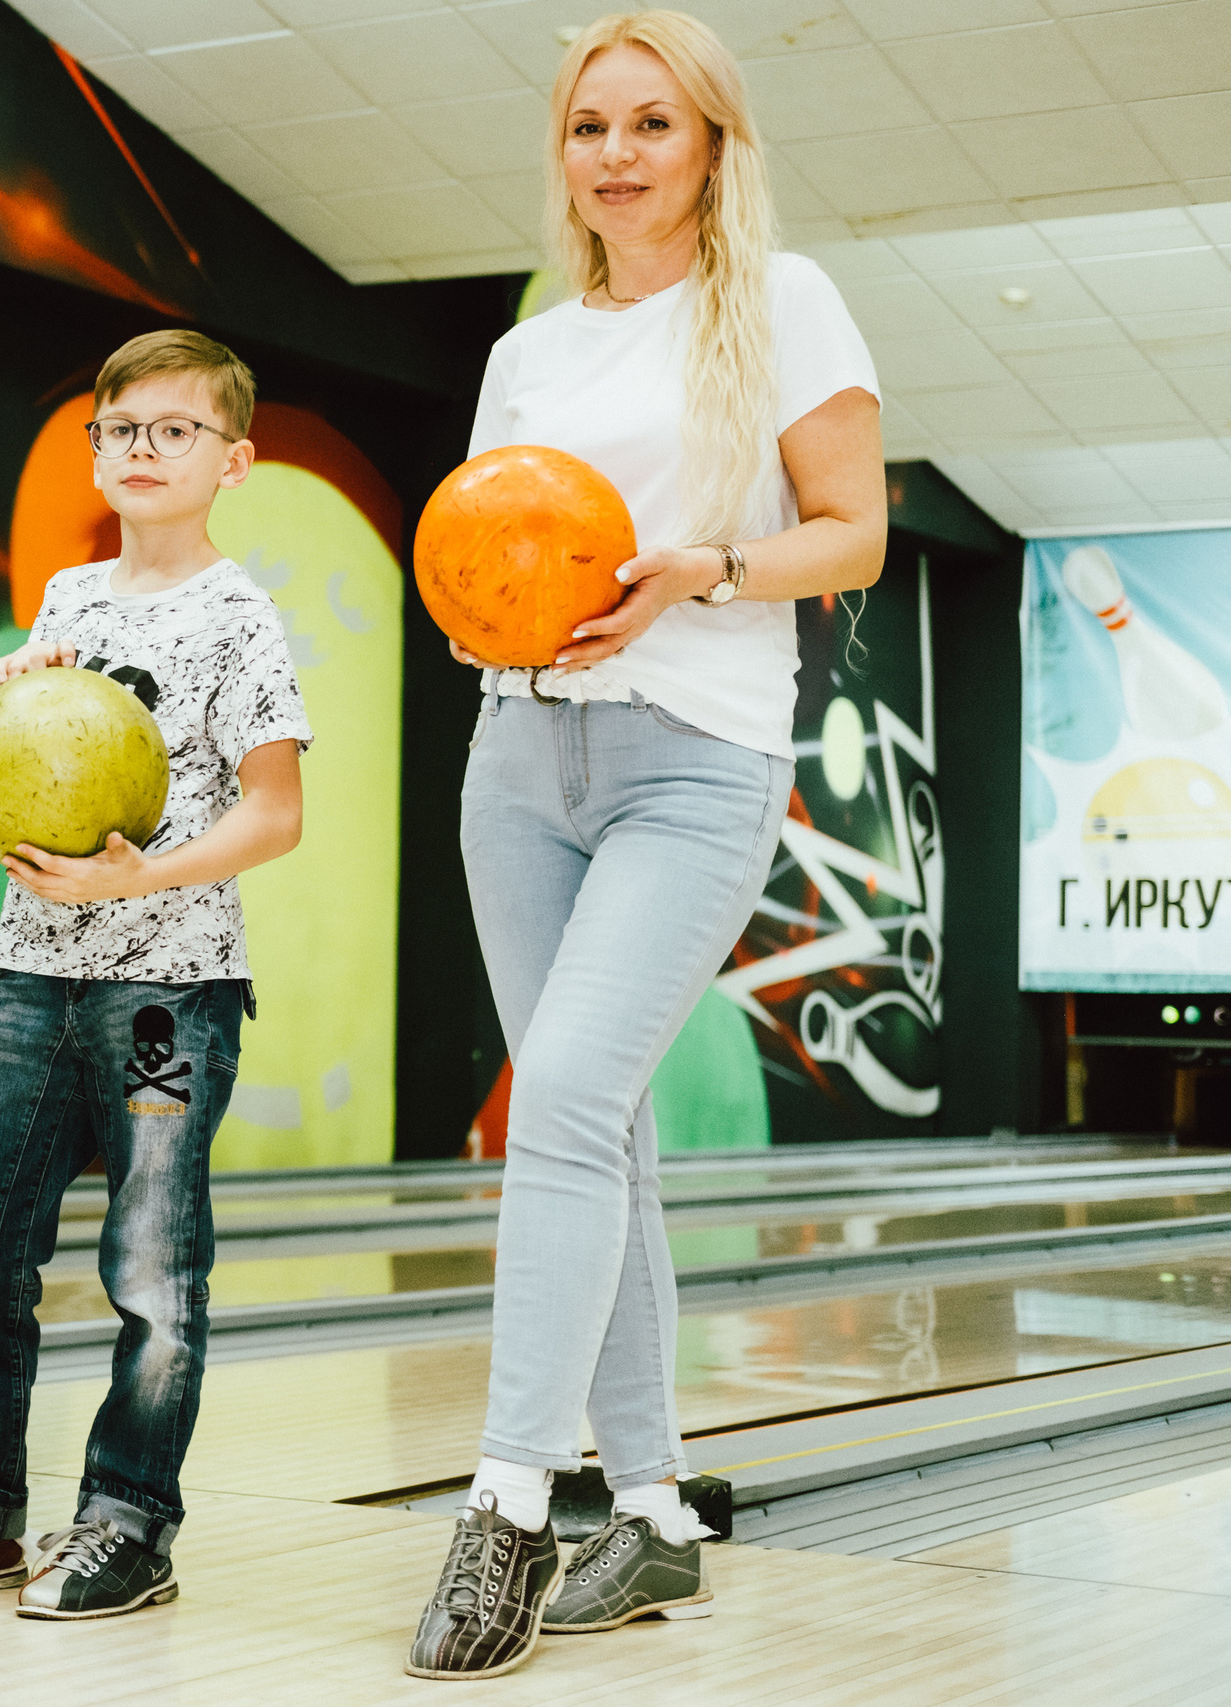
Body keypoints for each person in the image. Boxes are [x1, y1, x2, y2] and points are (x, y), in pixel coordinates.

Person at [403, 9, 884, 1681]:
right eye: (590, 126)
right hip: (519, 758)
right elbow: (488, 551)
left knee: (565, 1104)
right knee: (599, 1137)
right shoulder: (530, 350)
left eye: (651, 124)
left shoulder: (783, 303)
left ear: (711, 146)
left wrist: (701, 571)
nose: (616, 153)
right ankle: (659, 1512)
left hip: (698, 761)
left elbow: (856, 531)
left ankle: (512, 1503)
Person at [0, 330, 311, 1620]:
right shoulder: (66, 602)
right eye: (122, 430)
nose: (145, 449)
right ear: (94, 453)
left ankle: (128, 1524)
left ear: (236, 460)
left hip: (170, 990)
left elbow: (276, 815)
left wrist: (133, 884)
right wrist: (16, 704)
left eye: (177, 430)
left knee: (151, 1266)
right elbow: (28, 765)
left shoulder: (239, 616)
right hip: (34, 977)